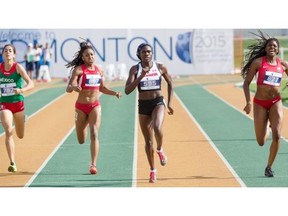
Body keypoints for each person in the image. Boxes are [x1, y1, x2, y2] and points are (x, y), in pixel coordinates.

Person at [65, 41, 122, 175]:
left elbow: (102, 88)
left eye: (92, 54)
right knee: (81, 140)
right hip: (80, 107)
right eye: (87, 55)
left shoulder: (99, 70)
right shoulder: (78, 70)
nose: (90, 57)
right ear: (83, 57)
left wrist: (114, 93)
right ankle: (83, 124)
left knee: (95, 133)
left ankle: (93, 164)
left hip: (95, 106)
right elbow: (68, 88)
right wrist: (74, 87)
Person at [124, 43, 174, 183]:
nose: (147, 54)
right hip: (143, 106)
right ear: (139, 54)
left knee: (158, 127)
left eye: (149, 51)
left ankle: (160, 149)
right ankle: (152, 170)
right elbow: (127, 90)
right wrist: (140, 77)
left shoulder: (159, 67)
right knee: (148, 141)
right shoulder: (135, 69)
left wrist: (169, 103)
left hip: (157, 102)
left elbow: (170, 83)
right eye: (144, 52)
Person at [241, 31, 288, 177]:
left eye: (274, 46)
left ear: (277, 49)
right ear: (266, 48)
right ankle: (267, 126)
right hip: (260, 103)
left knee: (278, 134)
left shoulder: (283, 64)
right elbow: (246, 83)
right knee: (261, 141)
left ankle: (268, 167)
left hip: (276, 102)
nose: (272, 48)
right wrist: (248, 102)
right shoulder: (258, 63)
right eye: (269, 46)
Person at [0, 44, 34, 172]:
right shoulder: (0, 68)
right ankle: (12, 162)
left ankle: (22, 119)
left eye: (10, 51)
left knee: (20, 135)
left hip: (18, 104)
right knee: (8, 130)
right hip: (4, 105)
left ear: (14, 54)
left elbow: (31, 83)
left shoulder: (18, 67)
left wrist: (21, 90)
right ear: (2, 54)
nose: (7, 52)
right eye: (5, 51)